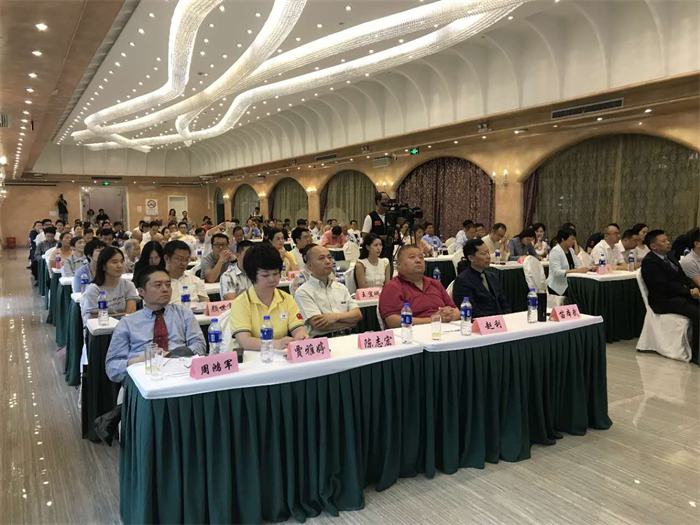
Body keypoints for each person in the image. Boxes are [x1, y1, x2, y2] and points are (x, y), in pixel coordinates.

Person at [106, 266, 207, 383]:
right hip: (143, 376)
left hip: (181, 373)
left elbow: (199, 346)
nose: (165, 289)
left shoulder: (184, 313)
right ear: (141, 291)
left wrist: (173, 355)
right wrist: (138, 361)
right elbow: (112, 368)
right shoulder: (127, 323)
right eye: (158, 285)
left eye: (168, 285)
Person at [230, 243, 308, 351]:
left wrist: (300, 336)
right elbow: (244, 341)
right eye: (265, 275)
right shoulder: (241, 303)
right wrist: (275, 344)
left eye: (275, 273)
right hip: (253, 357)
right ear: (252, 275)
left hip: (281, 357)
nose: (272, 279)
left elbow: (298, 328)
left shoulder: (287, 299)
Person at [641, 230, 700, 365]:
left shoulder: (670, 256)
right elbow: (664, 286)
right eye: (663, 241)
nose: (668, 243)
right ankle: (697, 355)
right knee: (698, 314)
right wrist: (689, 292)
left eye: (667, 240)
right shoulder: (650, 262)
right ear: (653, 246)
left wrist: (693, 288)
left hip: (679, 295)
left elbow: (683, 277)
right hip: (664, 300)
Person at [379, 245, 459, 328]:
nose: (418, 260)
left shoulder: (435, 283)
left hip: (444, 329)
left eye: (421, 257)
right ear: (399, 265)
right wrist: (434, 320)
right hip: (412, 333)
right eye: (412, 257)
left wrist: (449, 316)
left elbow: (456, 310)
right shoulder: (392, 287)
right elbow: (393, 321)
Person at [295, 245, 362, 337]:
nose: (327, 261)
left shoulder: (341, 287)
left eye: (329, 257)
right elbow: (318, 324)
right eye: (321, 258)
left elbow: (357, 315)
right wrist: (349, 323)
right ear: (309, 265)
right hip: (322, 340)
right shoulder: (303, 292)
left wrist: (334, 317)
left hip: (346, 337)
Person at [452, 239, 512, 318]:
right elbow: (471, 312)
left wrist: (507, 317)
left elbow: (504, 303)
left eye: (488, 252)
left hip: (500, 321)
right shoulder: (462, 281)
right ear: (471, 258)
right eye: (484, 253)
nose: (488, 256)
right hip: (481, 322)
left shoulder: (493, 277)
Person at [81, 247, 139, 323]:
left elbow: (130, 313)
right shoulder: (94, 289)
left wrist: (108, 316)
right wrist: (121, 315)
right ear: (103, 266)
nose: (120, 265)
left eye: (122, 261)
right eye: (114, 262)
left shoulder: (128, 285)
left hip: (124, 326)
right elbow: (94, 316)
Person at [547, 228, 592, 296]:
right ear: (563, 239)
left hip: (569, 283)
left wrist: (586, 269)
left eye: (574, 239)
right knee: (579, 293)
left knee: (585, 289)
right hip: (558, 286)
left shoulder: (571, 250)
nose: (574, 242)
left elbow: (576, 266)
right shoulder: (555, 251)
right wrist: (576, 271)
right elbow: (557, 272)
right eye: (572, 239)